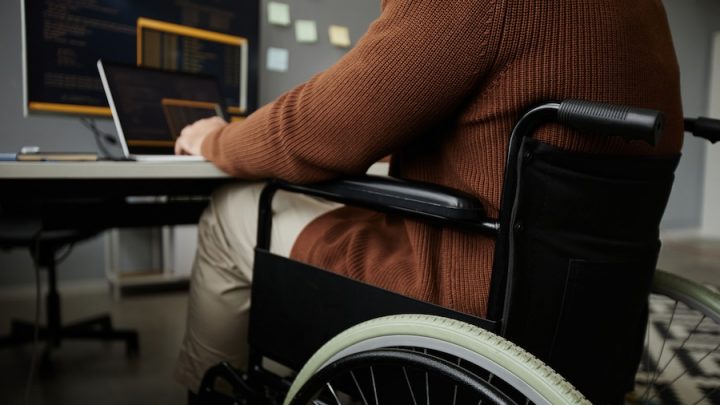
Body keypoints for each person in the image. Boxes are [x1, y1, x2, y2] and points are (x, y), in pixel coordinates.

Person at [173, 0, 684, 395]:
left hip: (462, 295)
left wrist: (213, 138)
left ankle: (205, 392)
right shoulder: (647, 12)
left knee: (234, 206)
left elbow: (314, 130)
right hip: (584, 313)